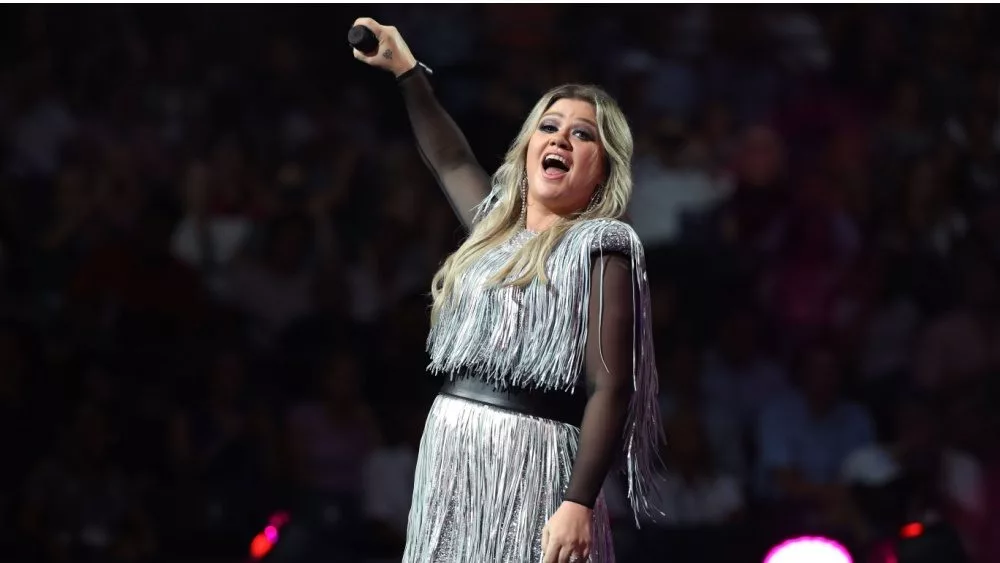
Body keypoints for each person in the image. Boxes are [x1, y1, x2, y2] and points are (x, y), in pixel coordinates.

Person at [351, 17, 663, 563]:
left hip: (536, 458)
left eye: (582, 133)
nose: (561, 137)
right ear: (527, 149)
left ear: (601, 171)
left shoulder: (602, 246)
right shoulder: (493, 229)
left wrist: (578, 502)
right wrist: (407, 72)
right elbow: (450, 158)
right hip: (452, 446)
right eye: (549, 126)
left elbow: (611, 387)